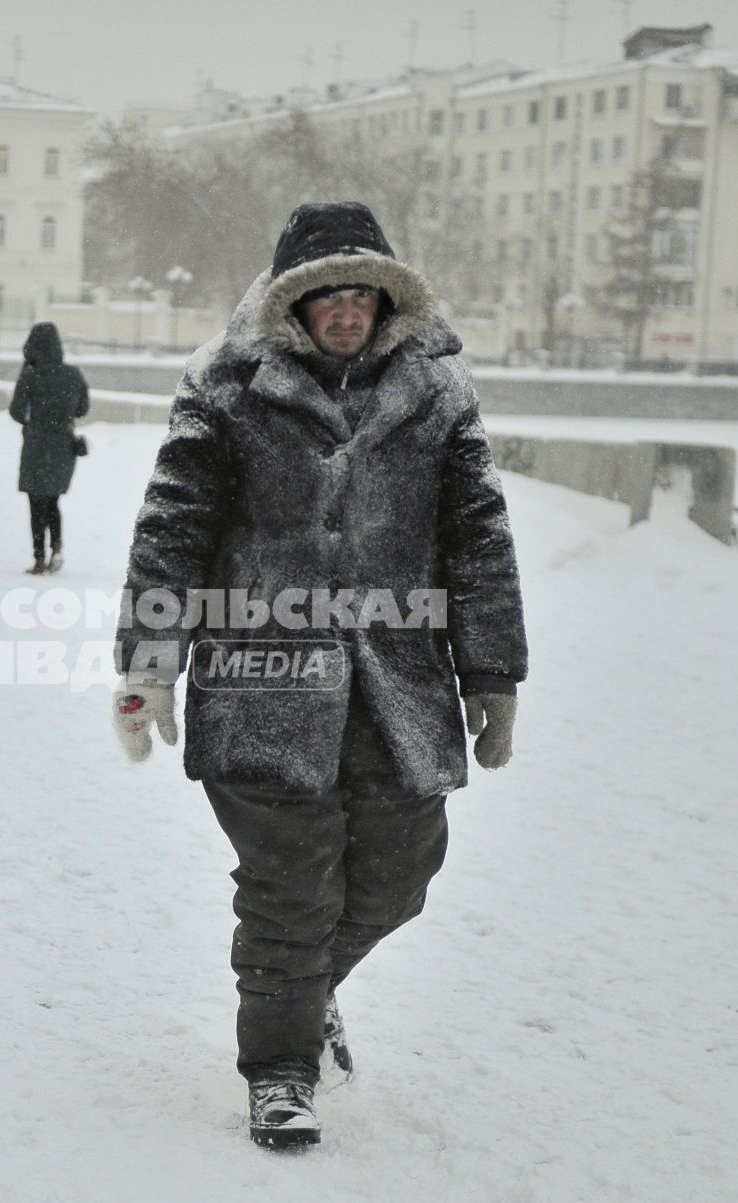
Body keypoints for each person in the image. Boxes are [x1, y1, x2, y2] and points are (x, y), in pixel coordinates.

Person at [112, 202, 527, 1151]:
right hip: (263, 684)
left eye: (361, 294)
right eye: (324, 296)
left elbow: (479, 540)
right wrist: (150, 664)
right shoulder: (226, 388)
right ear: (292, 304)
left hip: (397, 686)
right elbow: (171, 529)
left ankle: (305, 996)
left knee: (400, 872)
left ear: (387, 300)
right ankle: (282, 1071)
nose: (345, 310)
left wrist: (493, 675)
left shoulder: (438, 392)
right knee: (291, 886)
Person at [9, 321, 90, 575]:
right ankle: (57, 547)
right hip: (63, 445)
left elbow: (16, 411)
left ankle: (39, 559)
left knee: (36, 502)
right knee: (53, 499)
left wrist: (35, 418)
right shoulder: (73, 374)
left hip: (36, 444)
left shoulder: (30, 375)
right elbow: (82, 409)